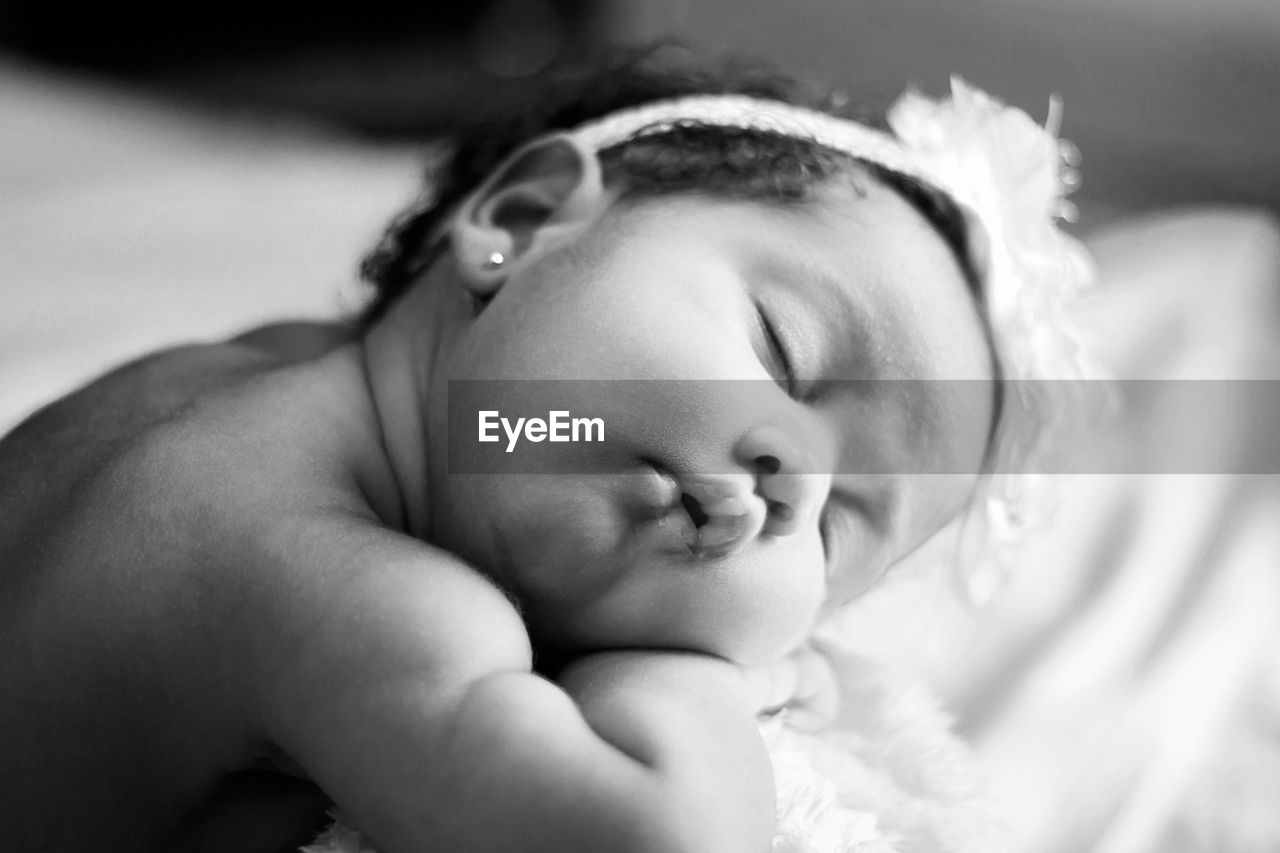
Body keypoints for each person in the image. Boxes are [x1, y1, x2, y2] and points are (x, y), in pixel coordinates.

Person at [0, 52, 1085, 852]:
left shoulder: (229, 378)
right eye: (783, 353)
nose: (790, 479)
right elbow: (656, 834)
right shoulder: (358, 599)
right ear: (519, 221)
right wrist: (697, 682)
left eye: (841, 521)